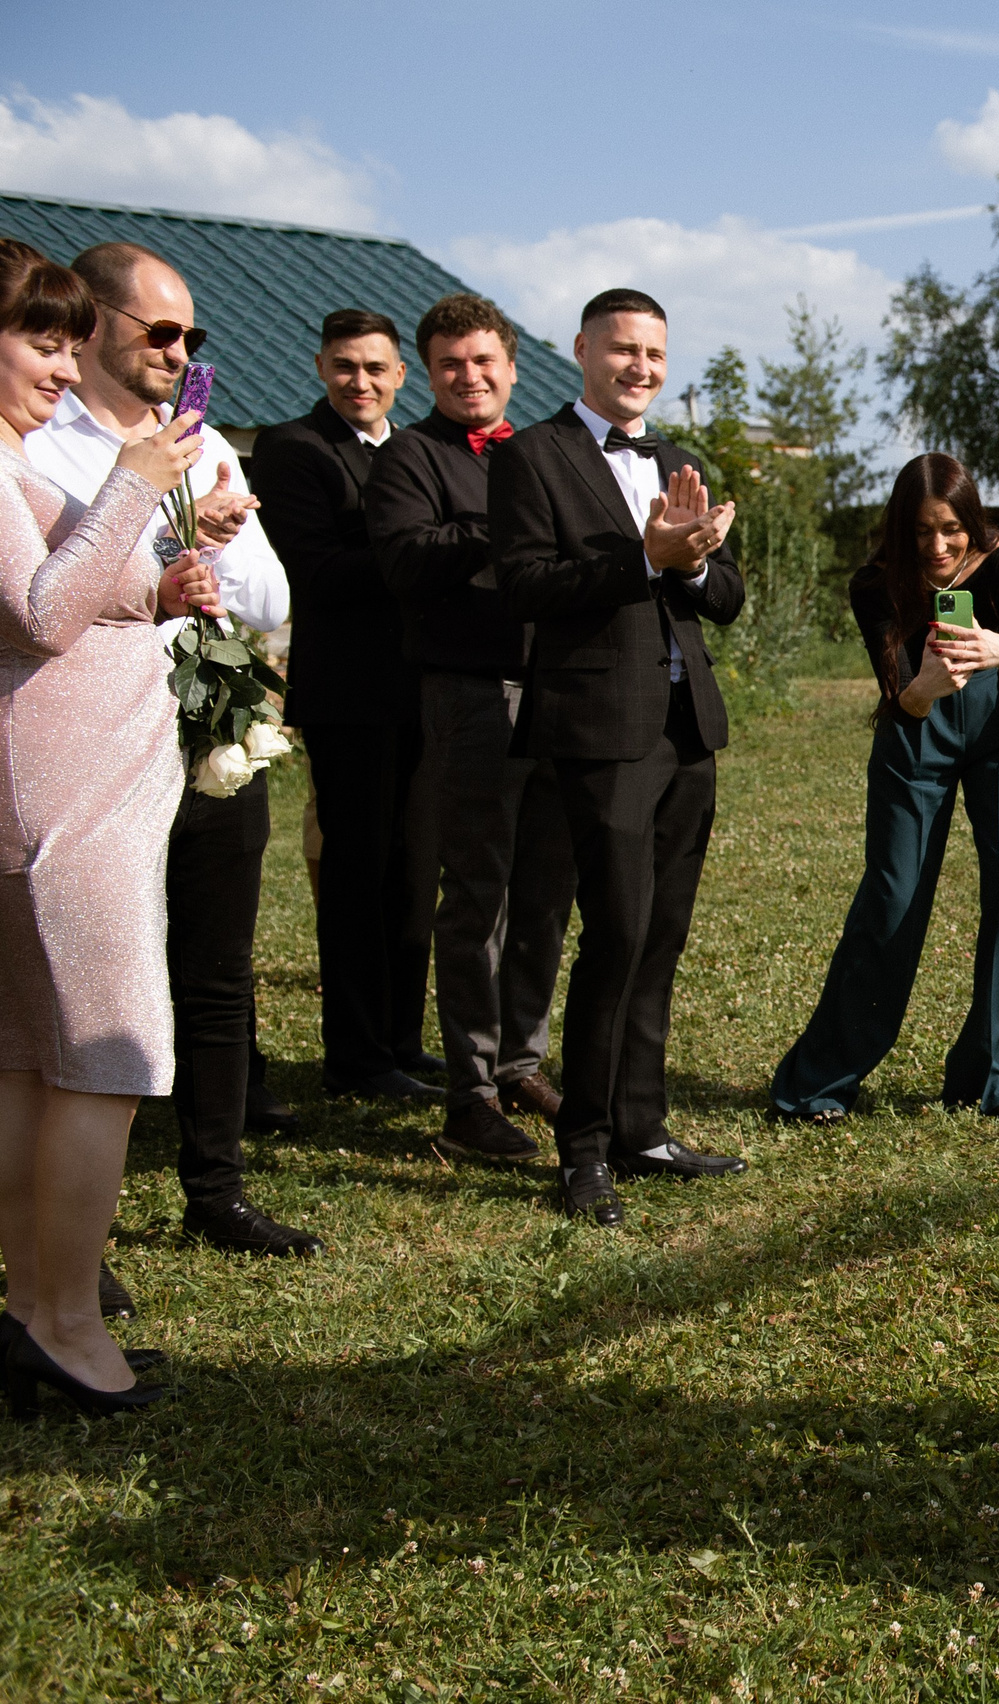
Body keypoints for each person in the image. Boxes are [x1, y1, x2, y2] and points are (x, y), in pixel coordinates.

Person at [28, 242, 306, 1274]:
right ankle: (73, 1239)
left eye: (192, 335)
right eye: (161, 331)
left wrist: (221, 532)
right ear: (92, 325)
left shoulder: (206, 444)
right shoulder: (44, 448)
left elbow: (271, 602)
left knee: (217, 969)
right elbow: (54, 596)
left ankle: (216, 1187)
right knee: (88, 992)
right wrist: (156, 522)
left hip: (209, 739)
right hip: (96, 746)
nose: (180, 351)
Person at [0, 238, 221, 1414]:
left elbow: (67, 589)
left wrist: (155, 580)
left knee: (32, 1065)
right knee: (108, 1061)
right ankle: (75, 1329)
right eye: (40, 337)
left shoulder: (15, 461)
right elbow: (37, 614)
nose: (63, 358)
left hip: (56, 806)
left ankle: (36, 1313)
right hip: (67, 817)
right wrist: (136, 479)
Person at [489, 287, 747, 1227]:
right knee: (617, 935)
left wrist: (698, 561)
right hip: (598, 733)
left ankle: (644, 1126)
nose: (640, 367)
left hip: (688, 730)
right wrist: (643, 560)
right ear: (582, 351)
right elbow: (523, 584)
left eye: (654, 354)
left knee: (663, 939)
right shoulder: (533, 456)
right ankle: (585, 1148)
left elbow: (725, 598)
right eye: (623, 350)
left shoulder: (678, 458)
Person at [770, 454, 999, 1124]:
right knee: (891, 898)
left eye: (951, 528)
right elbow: (901, 703)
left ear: (971, 522)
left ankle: (991, 1080)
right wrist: (924, 683)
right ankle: (819, 1083)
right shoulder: (875, 585)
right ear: (901, 530)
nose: (939, 545)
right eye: (921, 531)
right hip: (916, 730)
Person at [369, 293, 576, 1168]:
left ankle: (522, 1062)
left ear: (514, 369)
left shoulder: (543, 452)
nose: (471, 377)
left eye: (485, 361)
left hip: (561, 696)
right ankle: (471, 1094)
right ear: (428, 373)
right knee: (479, 896)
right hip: (470, 697)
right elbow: (409, 562)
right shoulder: (407, 458)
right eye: (452, 363)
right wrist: (505, 527)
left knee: (545, 894)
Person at [263, 312, 440, 1103]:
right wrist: (428, 546)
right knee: (357, 875)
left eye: (375, 368)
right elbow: (319, 569)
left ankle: (403, 1041)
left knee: (414, 877)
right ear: (320, 367)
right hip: (350, 695)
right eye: (344, 367)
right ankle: (357, 1059)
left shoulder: (422, 447)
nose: (359, 382)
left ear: (402, 375)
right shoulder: (295, 450)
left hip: (427, 691)